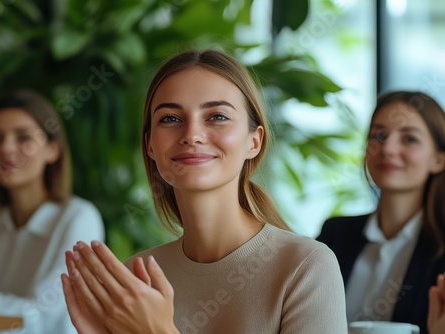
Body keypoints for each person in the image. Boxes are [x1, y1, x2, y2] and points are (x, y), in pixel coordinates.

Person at [60, 49, 347, 333]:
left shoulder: (306, 267)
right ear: (150, 145)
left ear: (254, 141)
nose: (191, 135)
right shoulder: (136, 278)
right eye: (170, 119)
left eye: (217, 116)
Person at [0, 90, 105, 333]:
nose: (6, 148)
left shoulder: (79, 218)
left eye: (23, 137)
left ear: (52, 150)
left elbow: (42, 317)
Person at [317, 91, 445, 334]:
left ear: (439, 160)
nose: (388, 148)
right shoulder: (335, 235)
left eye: (409, 139)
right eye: (380, 135)